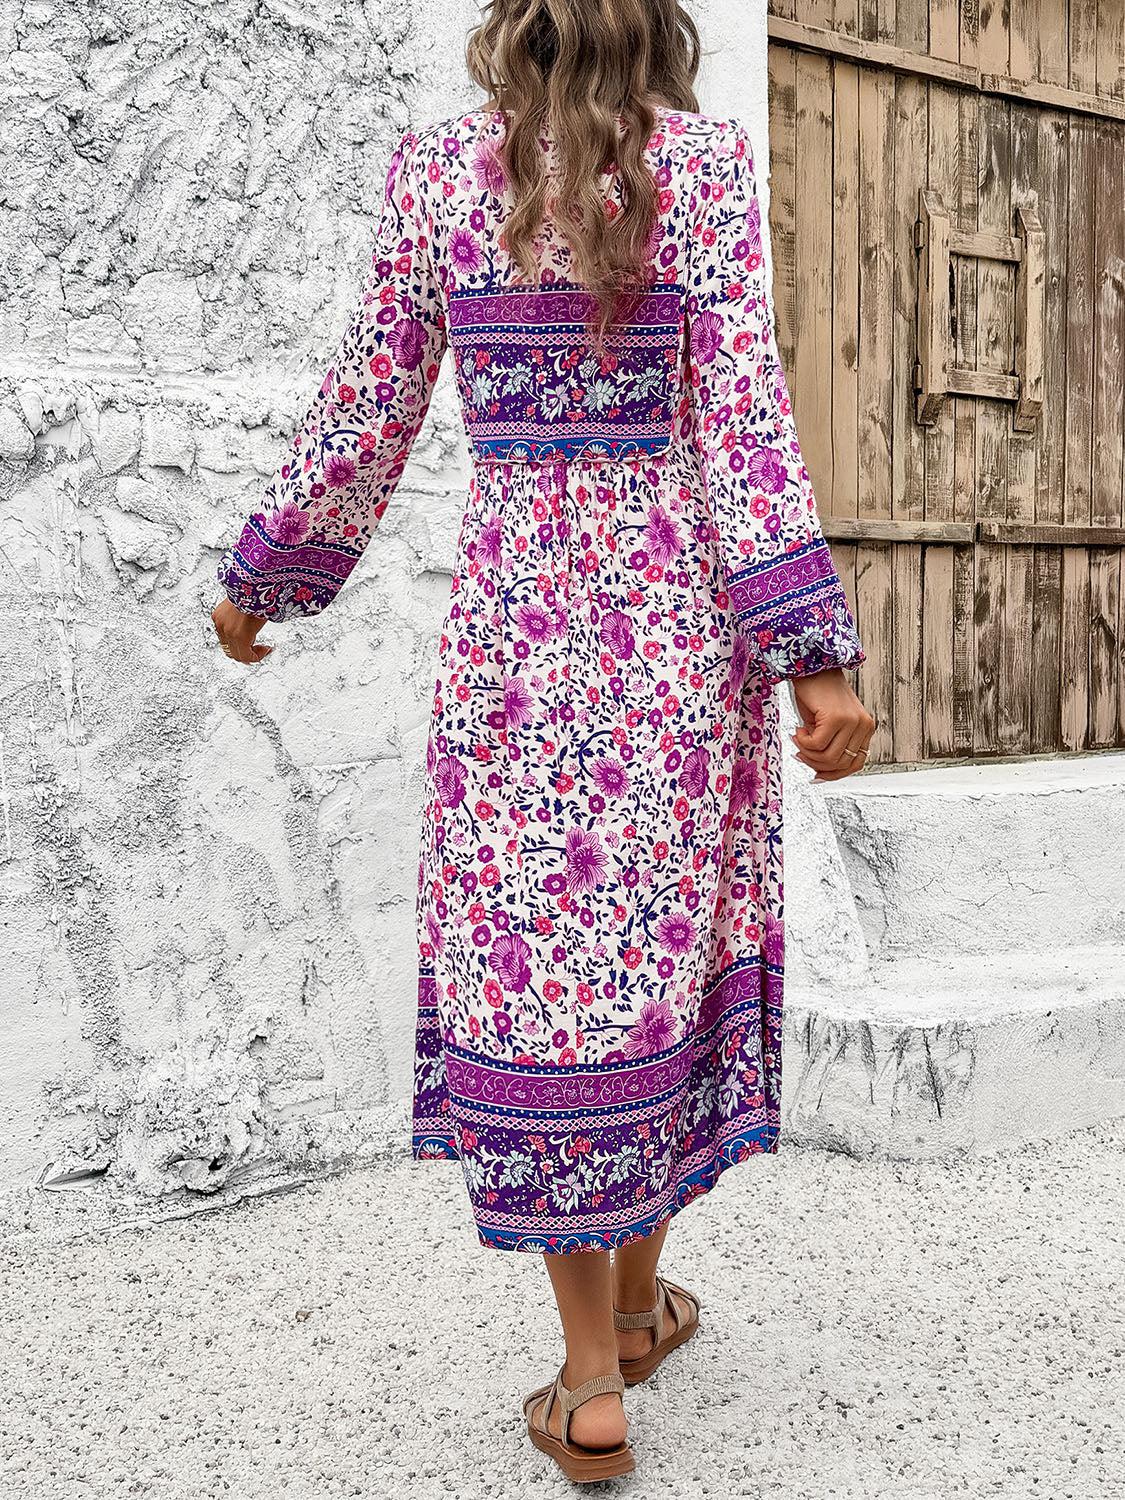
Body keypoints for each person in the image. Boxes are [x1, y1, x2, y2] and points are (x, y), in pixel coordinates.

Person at [211, 0, 873, 1481]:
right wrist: (811, 655)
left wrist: (268, 576)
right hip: (668, 639)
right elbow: (743, 423)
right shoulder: (699, 170)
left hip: (516, 648)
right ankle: (634, 1307)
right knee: (650, 961)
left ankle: (595, 1369)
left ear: (510, 26)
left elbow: (367, 402)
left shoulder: (439, 173)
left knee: (546, 982)